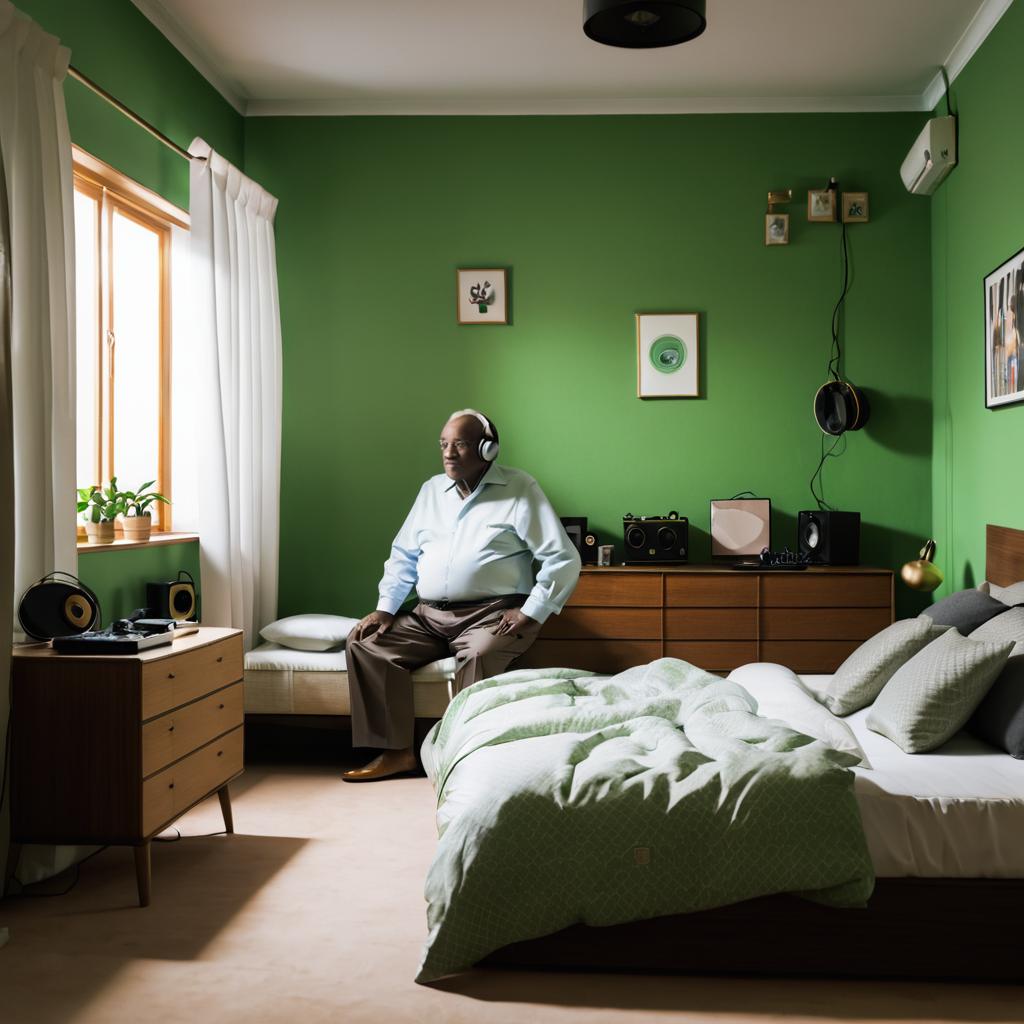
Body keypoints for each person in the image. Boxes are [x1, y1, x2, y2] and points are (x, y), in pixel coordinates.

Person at [342, 409, 581, 781]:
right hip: (428, 616)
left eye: (461, 445)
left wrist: (531, 612)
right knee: (366, 643)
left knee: (480, 653)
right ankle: (397, 753)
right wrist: (385, 609)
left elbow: (562, 559)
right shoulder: (430, 491)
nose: (449, 453)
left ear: (488, 449)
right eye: (444, 445)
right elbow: (403, 555)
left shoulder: (520, 489)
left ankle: (465, 757)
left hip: (494, 613)